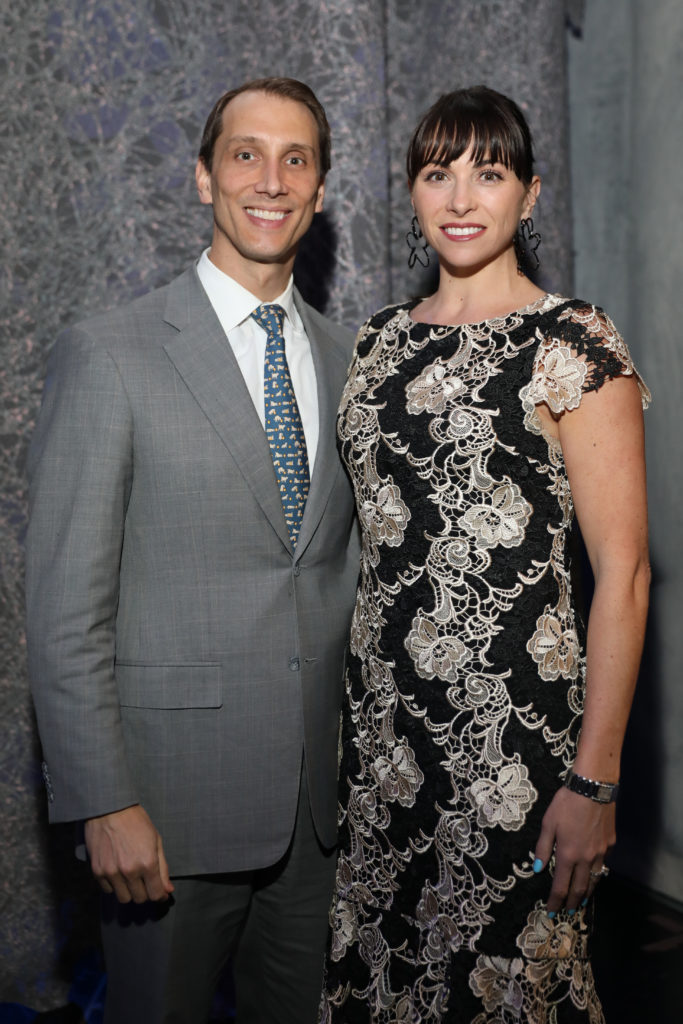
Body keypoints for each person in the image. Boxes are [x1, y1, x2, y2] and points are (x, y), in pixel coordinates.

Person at [26, 77, 359, 1024]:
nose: (271, 178)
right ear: (203, 177)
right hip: (165, 814)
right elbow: (63, 609)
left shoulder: (349, 361)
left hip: (316, 819)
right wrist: (102, 801)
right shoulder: (111, 352)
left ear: (322, 191)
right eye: (245, 153)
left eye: (296, 159)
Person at [319, 85, 650, 1022]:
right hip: (383, 747)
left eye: (488, 172)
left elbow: (623, 574)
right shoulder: (378, 341)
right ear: (414, 194)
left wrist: (594, 781)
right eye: (437, 172)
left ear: (529, 194)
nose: (461, 197)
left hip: (515, 756)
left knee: (507, 990)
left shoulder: (573, 343)